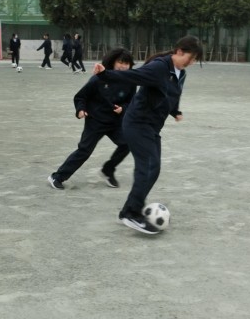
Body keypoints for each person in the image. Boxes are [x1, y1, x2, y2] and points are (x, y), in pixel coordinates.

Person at [92, 35, 204, 235]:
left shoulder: (181, 73)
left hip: (152, 127)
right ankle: (131, 213)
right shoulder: (160, 67)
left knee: (154, 168)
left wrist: (175, 111)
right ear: (179, 51)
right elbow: (132, 76)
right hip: (137, 123)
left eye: (195, 60)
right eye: (191, 58)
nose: (192, 62)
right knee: (147, 167)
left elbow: (173, 94)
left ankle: (131, 207)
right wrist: (105, 74)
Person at [48, 48, 137, 190]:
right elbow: (81, 97)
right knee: (84, 150)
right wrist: (80, 110)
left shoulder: (130, 82)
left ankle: (108, 170)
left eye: (126, 63)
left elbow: (131, 102)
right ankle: (57, 176)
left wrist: (123, 109)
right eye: (120, 62)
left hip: (115, 122)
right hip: (95, 121)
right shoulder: (98, 78)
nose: (123, 66)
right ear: (112, 62)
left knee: (128, 143)